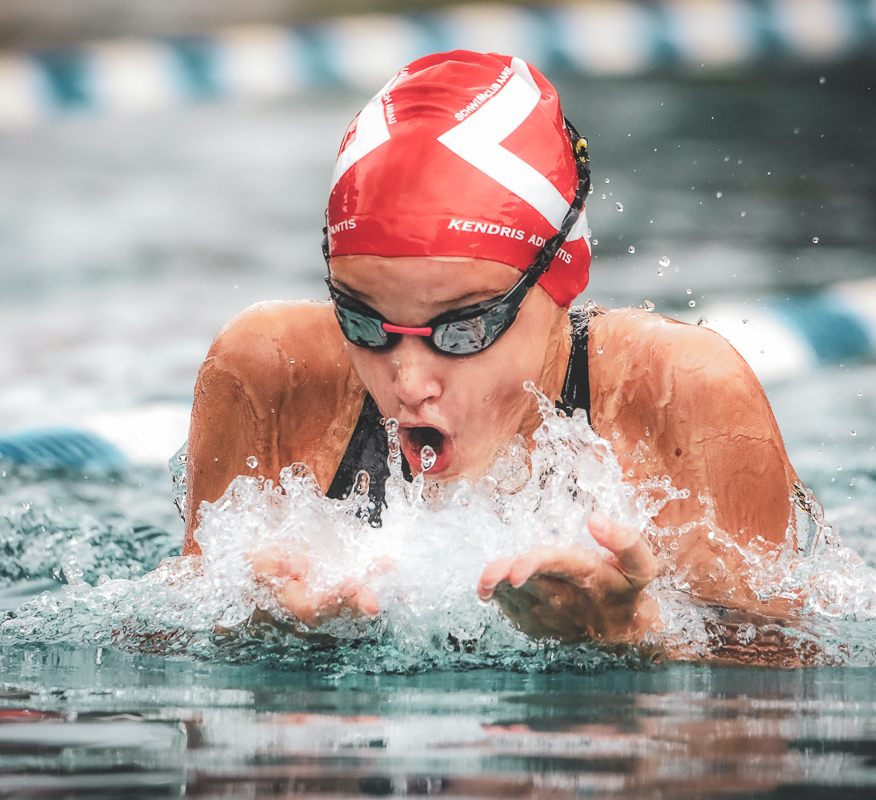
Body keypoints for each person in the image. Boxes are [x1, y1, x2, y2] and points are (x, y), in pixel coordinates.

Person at [182, 51, 807, 648]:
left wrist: (635, 638)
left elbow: (776, 690)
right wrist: (248, 630)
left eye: (464, 327)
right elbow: (157, 638)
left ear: (558, 278)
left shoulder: (682, 392)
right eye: (363, 320)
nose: (409, 382)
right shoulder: (270, 372)